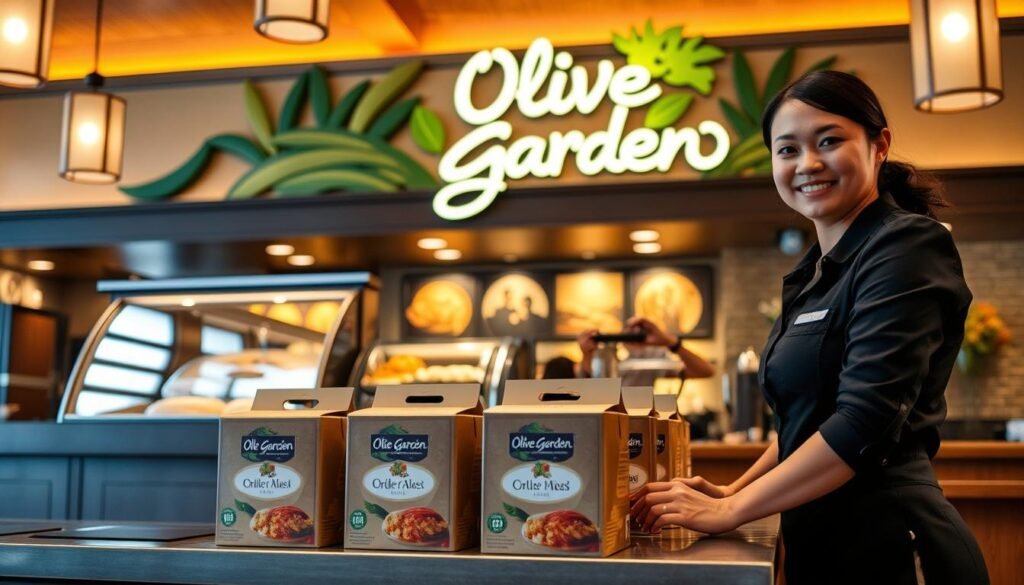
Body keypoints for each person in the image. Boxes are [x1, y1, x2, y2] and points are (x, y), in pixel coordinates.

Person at [631, 71, 988, 585]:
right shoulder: (814, 273)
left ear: (879, 145)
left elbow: (864, 420)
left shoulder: (906, 245)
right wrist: (734, 491)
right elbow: (807, 422)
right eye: (787, 150)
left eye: (829, 141)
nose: (808, 164)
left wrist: (730, 511)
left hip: (889, 545)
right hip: (820, 543)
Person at [575, 316, 714, 383]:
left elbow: (706, 371)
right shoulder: (607, 355)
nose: (634, 334)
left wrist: (670, 342)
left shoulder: (650, 358)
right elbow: (587, 382)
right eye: (629, 331)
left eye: (639, 331)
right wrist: (587, 354)